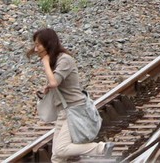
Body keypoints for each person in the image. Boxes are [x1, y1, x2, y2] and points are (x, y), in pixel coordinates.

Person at [29, 28, 112, 162]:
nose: (36, 49)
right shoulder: (56, 61)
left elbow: (54, 82)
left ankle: (101, 148)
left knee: (61, 150)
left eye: (38, 45)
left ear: (48, 44)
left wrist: (45, 63)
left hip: (74, 109)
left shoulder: (65, 60)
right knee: (56, 157)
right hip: (64, 111)